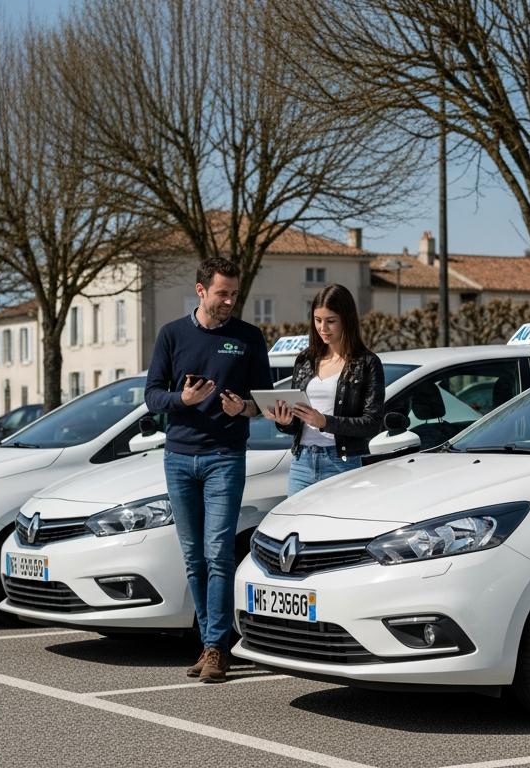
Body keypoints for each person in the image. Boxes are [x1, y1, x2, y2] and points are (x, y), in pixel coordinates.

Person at [144, 256, 271, 684]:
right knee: (194, 557)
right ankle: (208, 640)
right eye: (222, 293)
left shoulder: (249, 337)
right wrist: (183, 401)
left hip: (225, 457)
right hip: (178, 458)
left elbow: (265, 402)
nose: (230, 301)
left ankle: (217, 647)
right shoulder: (171, 335)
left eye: (234, 293)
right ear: (201, 291)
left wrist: (244, 408)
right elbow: (152, 397)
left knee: (218, 553)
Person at [264, 284, 385, 495]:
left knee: (337, 528)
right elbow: (295, 424)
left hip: (342, 463)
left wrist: (325, 422)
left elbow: (372, 424)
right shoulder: (305, 360)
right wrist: (283, 421)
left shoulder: (367, 363)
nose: (323, 328)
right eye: (318, 320)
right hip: (301, 462)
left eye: (330, 321)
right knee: (296, 526)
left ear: (346, 320)